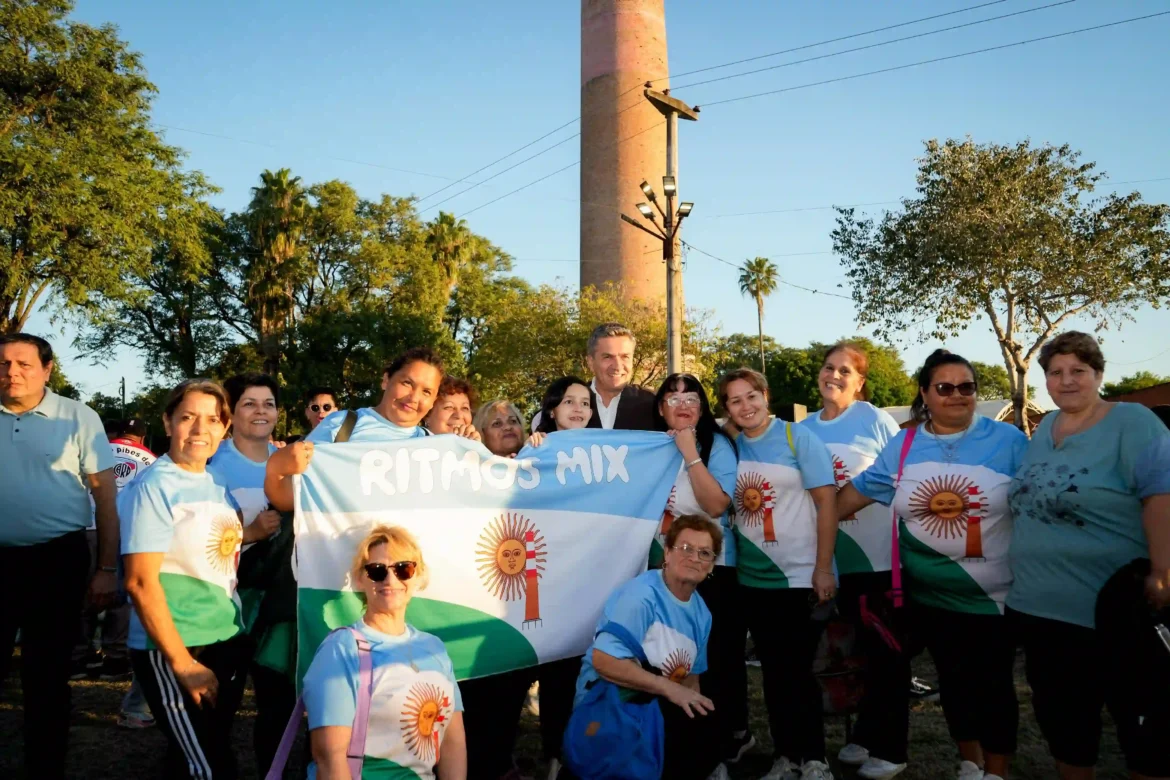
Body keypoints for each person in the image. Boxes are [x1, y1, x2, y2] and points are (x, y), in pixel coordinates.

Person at [836, 349, 1027, 780]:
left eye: (967, 387)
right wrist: (805, 515)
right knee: (954, 684)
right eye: (945, 387)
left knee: (995, 687)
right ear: (925, 393)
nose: (957, 395)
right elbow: (852, 495)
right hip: (928, 596)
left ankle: (996, 772)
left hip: (994, 596)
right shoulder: (902, 445)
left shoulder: (1010, 442)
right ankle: (970, 762)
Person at [1006, 331, 1170, 780]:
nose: (1067, 380)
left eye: (1078, 370)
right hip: (1040, 611)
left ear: (1098, 374)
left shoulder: (1131, 421)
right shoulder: (1043, 431)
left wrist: (1163, 569)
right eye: (1056, 372)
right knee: (1066, 729)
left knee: (1144, 728)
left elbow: (1162, 494)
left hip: (1115, 609)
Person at [121, 378, 279, 778]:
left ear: (224, 427)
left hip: (224, 635)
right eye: (188, 417)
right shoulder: (154, 486)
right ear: (168, 421)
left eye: (211, 419)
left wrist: (254, 533)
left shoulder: (213, 481)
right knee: (210, 764)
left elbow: (217, 546)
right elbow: (139, 582)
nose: (199, 429)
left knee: (200, 749)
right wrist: (182, 662)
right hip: (177, 644)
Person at [0, 333, 119, 779]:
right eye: (5, 363)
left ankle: (44, 768)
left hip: (55, 562)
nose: (12, 372)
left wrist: (106, 569)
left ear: (47, 369)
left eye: (24, 364)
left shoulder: (78, 417)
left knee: (45, 677)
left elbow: (105, 498)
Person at [717, 367, 839, 780]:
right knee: (773, 673)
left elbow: (828, 504)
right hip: (753, 579)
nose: (745, 406)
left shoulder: (796, 437)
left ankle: (815, 759)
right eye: (735, 400)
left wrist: (824, 568)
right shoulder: (728, 445)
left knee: (800, 672)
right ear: (727, 409)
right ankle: (786, 755)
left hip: (802, 575)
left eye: (751, 396)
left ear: (765, 395)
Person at [799, 343, 907, 779]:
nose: (835, 376)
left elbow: (901, 478)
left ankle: (890, 747)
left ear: (860, 382)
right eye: (829, 367)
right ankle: (856, 736)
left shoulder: (876, 420)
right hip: (820, 561)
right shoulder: (802, 428)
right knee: (833, 655)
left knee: (885, 656)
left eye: (846, 371)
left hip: (875, 561)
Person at [567, 514, 728, 780]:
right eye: (685, 548)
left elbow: (691, 684)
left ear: (711, 566)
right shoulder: (642, 596)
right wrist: (670, 690)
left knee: (708, 726)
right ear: (667, 551)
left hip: (655, 704)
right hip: (609, 703)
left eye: (704, 553)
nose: (694, 557)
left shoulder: (702, 614)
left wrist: (695, 723)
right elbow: (604, 661)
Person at [302, 525, 466, 779]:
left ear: (418, 576)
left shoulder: (434, 648)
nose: (391, 580)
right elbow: (329, 757)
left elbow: (453, 743)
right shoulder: (341, 649)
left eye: (404, 569)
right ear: (360, 580)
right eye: (377, 571)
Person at [650, 372, 751, 765]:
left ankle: (731, 734)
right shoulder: (649, 448)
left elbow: (715, 507)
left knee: (719, 656)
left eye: (691, 395)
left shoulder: (716, 444)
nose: (682, 402)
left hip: (715, 568)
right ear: (660, 409)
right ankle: (682, 737)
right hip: (666, 569)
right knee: (676, 657)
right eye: (672, 397)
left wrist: (691, 451)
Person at [209, 373, 293, 777]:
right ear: (231, 412)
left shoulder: (293, 462)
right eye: (249, 403)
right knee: (218, 708)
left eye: (268, 403)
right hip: (226, 608)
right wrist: (249, 534)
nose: (261, 412)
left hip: (276, 608)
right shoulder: (211, 465)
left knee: (276, 706)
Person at [266, 347, 450, 513]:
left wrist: (475, 454)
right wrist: (277, 469)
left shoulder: (436, 449)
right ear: (386, 380)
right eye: (407, 383)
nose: (414, 397)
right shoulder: (342, 426)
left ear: (434, 401)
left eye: (426, 392)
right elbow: (290, 500)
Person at [529, 323, 656, 432]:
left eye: (625, 357)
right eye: (607, 357)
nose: (617, 366)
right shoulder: (565, 405)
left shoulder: (653, 405)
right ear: (590, 362)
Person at [527, 376, 593, 447]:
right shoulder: (539, 446)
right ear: (552, 411)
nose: (578, 409)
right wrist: (528, 450)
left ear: (590, 413)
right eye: (569, 402)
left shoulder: (602, 448)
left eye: (585, 403)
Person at [423, 376, 482, 441]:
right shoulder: (412, 446)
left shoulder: (474, 447)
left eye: (465, 408)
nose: (459, 415)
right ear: (427, 415)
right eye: (449, 407)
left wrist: (475, 448)